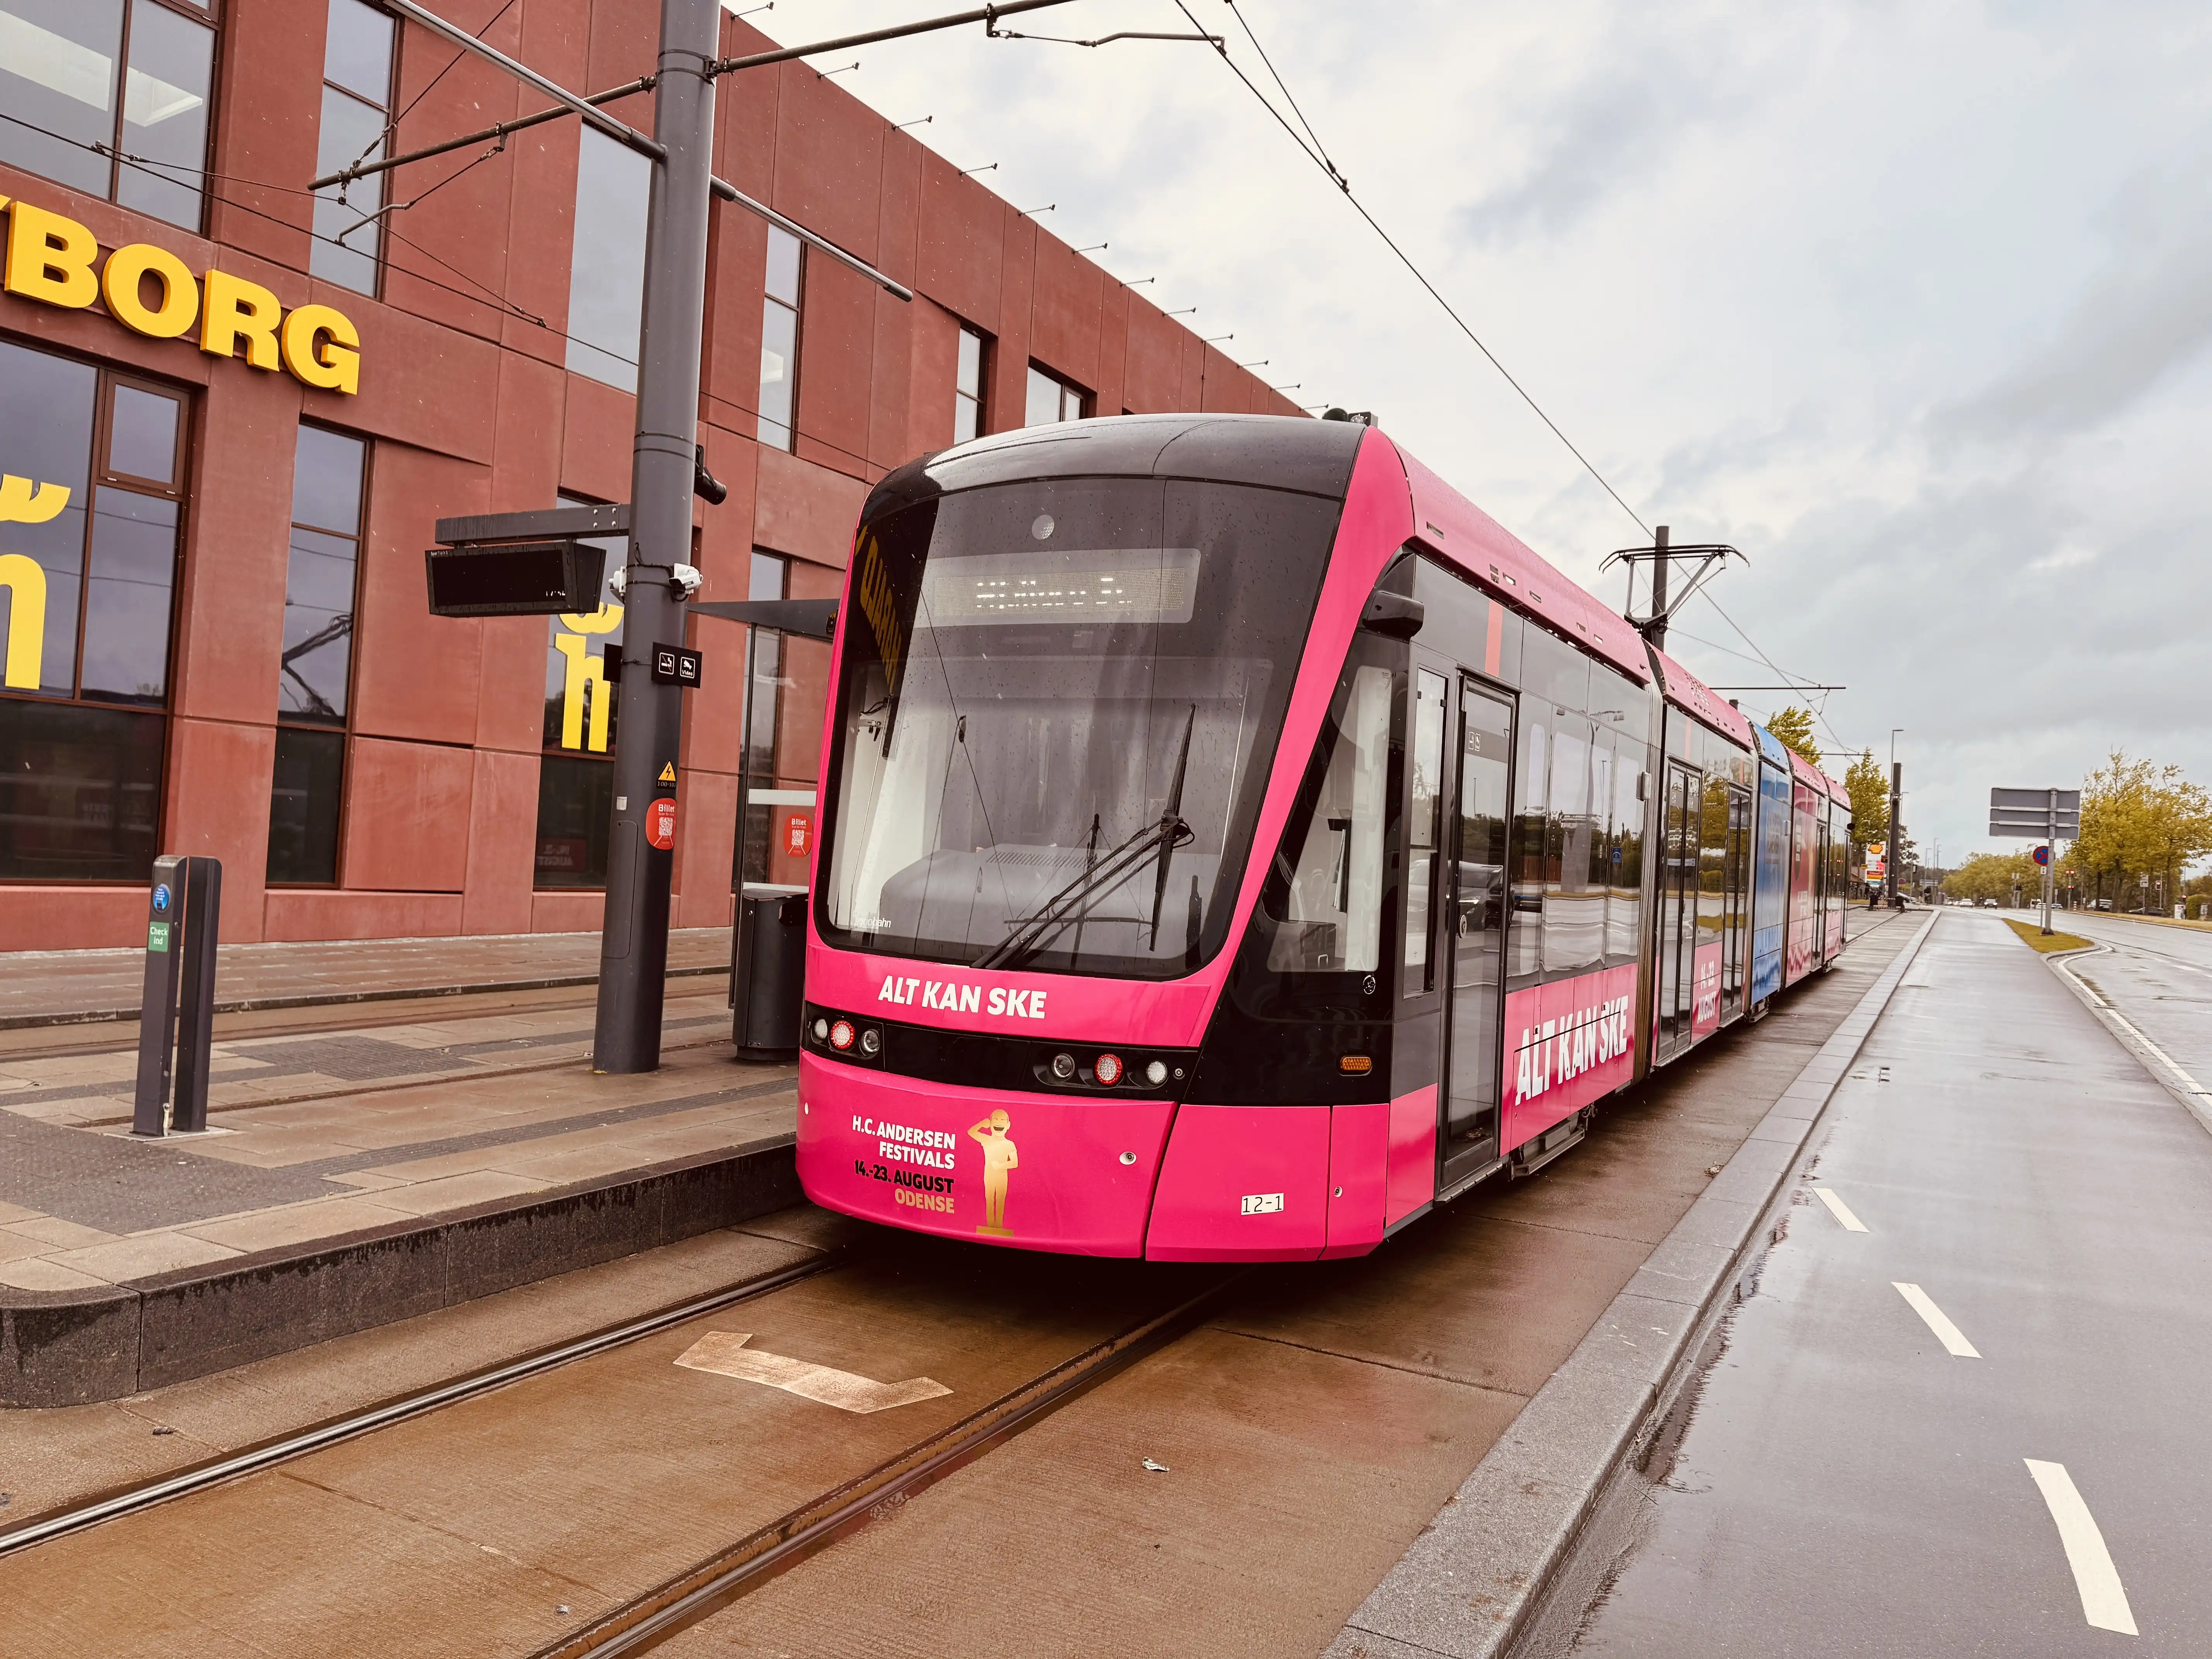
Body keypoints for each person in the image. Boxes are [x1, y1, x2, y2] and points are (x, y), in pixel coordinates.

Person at [968, 1109, 1019, 1236]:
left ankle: (1000, 1228)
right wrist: (981, 1124)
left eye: (1002, 1120)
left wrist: (1001, 1165)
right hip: (989, 1175)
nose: (999, 1123)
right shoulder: (986, 1140)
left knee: (1001, 1201)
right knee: (989, 1200)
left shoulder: (1010, 1144)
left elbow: (1015, 1163)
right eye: (995, 1120)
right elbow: (971, 1132)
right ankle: (990, 1227)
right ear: (990, 1124)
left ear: (1008, 1125)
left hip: (1002, 1176)